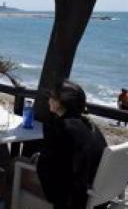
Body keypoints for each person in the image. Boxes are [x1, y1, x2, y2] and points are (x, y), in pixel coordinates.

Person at [29, 80, 107, 209]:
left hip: (71, 198)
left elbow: (49, 168)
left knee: (16, 163)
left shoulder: (63, 128)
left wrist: (39, 158)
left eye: (52, 97)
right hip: (96, 194)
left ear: (59, 103)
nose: (49, 100)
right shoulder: (90, 125)